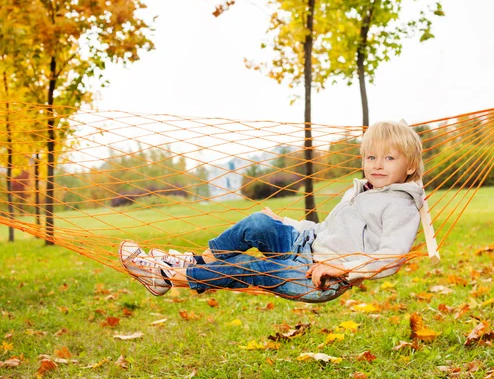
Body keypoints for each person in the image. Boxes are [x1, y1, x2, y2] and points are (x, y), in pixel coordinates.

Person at [119, 120, 424, 303]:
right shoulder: (361, 190)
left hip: (316, 279)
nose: (377, 164)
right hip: (304, 248)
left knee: (250, 268)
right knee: (260, 223)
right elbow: (325, 230)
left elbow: (391, 258)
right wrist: (286, 222)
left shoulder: (401, 205)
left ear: (410, 165)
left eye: (389, 158)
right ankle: (193, 262)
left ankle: (167, 275)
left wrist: (344, 270)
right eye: (371, 156)